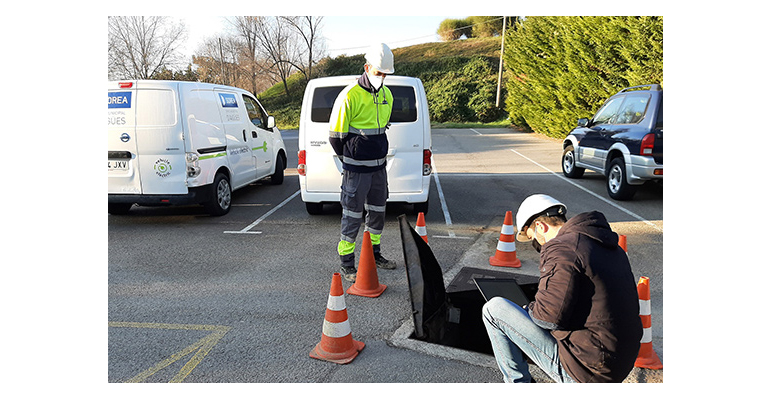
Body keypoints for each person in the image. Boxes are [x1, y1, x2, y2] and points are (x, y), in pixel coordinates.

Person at [482, 194, 642, 383]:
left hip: (588, 372)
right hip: (617, 362)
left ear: (541, 227)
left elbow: (549, 318)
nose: (539, 246)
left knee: (494, 310)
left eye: (535, 240)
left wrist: (531, 309)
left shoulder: (563, 247)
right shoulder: (604, 244)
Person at [329, 43, 397, 282]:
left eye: (385, 74)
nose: (382, 78)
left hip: (379, 168)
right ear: (367, 68)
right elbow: (336, 136)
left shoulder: (387, 95)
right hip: (356, 170)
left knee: (378, 212)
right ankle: (347, 264)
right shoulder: (349, 95)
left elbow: (381, 129)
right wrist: (351, 157)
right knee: (352, 215)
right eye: (378, 73)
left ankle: (374, 255)